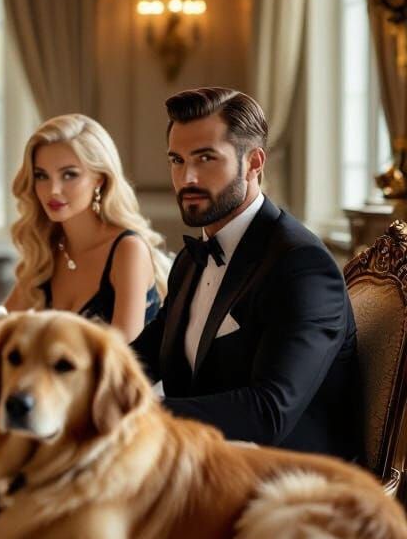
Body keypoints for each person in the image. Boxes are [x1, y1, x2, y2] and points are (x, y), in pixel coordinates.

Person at [130, 87, 359, 459]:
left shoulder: (302, 266)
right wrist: (70, 384)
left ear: (254, 162)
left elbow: (269, 411)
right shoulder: (189, 261)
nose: (187, 178)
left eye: (205, 158)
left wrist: (135, 414)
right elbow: (140, 361)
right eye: (177, 160)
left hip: (291, 477)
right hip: (204, 460)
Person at [5, 114, 169, 342]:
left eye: (69, 175)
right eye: (42, 176)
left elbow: (122, 356)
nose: (53, 190)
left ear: (99, 179)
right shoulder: (47, 249)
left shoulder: (128, 250)